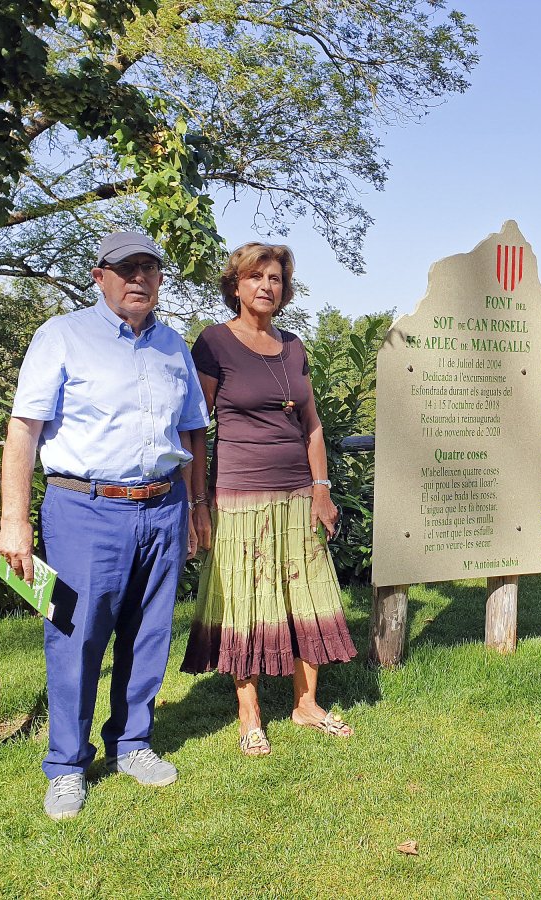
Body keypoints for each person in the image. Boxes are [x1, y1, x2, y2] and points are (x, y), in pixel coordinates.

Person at [0, 232, 209, 820]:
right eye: (125, 269)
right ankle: (67, 764)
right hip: (83, 508)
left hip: (163, 506)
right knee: (75, 636)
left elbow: (194, 433)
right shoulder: (62, 336)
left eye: (149, 269)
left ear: (160, 280)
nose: (138, 278)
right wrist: (14, 521)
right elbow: (23, 431)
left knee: (149, 633)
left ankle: (131, 743)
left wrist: (197, 508)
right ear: (99, 276)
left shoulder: (173, 348)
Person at [181, 242, 356, 756]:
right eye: (255, 277)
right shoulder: (214, 343)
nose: (266, 286)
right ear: (235, 286)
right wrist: (198, 503)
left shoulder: (294, 346)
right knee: (246, 600)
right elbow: (194, 428)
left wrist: (321, 490)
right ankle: (249, 711)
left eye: (275, 278)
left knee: (308, 594)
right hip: (240, 496)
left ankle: (306, 705)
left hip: (298, 493)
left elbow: (312, 425)